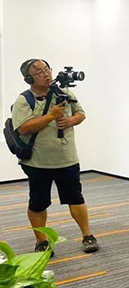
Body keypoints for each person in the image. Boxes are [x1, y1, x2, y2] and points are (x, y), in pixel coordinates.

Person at [12, 59, 99, 255]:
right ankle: (41, 241)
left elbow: (81, 114)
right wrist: (51, 115)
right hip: (37, 162)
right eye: (39, 72)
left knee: (76, 199)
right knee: (38, 203)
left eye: (46, 69)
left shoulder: (64, 92)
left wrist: (70, 121)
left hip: (67, 159)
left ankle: (87, 235)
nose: (45, 74)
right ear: (28, 79)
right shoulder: (24, 100)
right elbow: (23, 128)